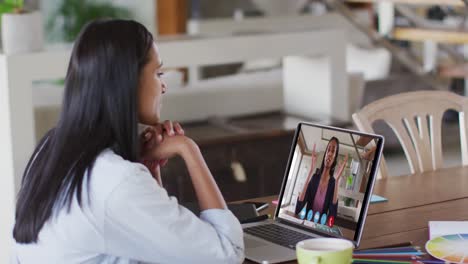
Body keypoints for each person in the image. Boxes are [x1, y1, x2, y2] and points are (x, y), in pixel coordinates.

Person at [12, 19, 244, 264]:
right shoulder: (116, 180)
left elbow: (158, 246)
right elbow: (227, 253)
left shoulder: (51, 149)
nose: (163, 86)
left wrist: (150, 169)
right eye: (158, 73)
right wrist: (189, 149)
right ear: (127, 82)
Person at [295, 137, 348, 221]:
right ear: (325, 154)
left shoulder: (332, 183)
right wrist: (310, 171)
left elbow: (332, 217)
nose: (330, 153)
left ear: (334, 158)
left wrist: (337, 181)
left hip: (320, 227)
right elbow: (298, 209)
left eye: (333, 151)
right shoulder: (314, 178)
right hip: (307, 223)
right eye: (328, 150)